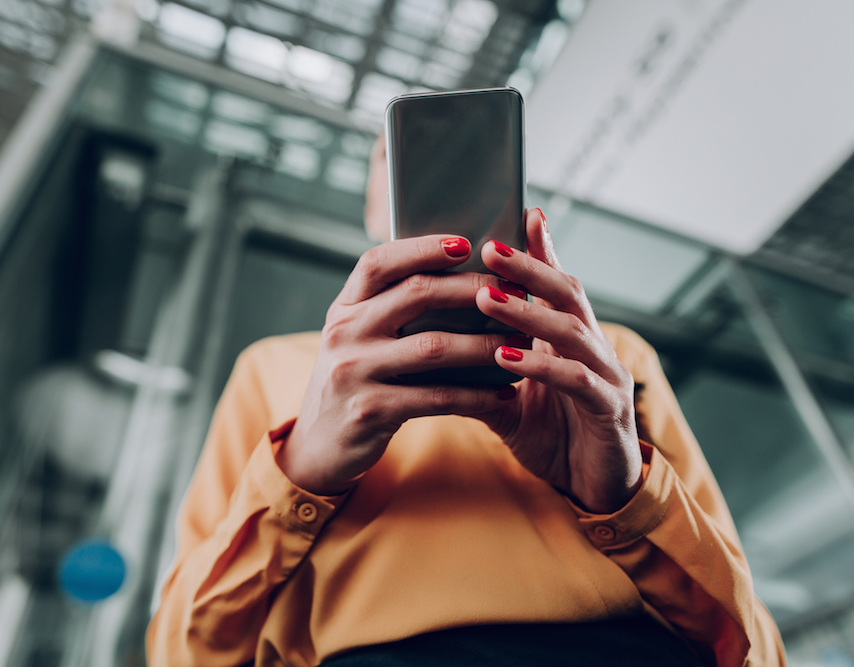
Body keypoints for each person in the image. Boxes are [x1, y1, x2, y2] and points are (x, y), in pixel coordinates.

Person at [146, 138, 786, 667]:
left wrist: (620, 496)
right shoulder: (275, 367)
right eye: (399, 153)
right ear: (371, 201)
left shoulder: (610, 356)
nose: (437, 169)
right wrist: (301, 475)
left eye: (468, 154)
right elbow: (182, 654)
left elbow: (755, 650)